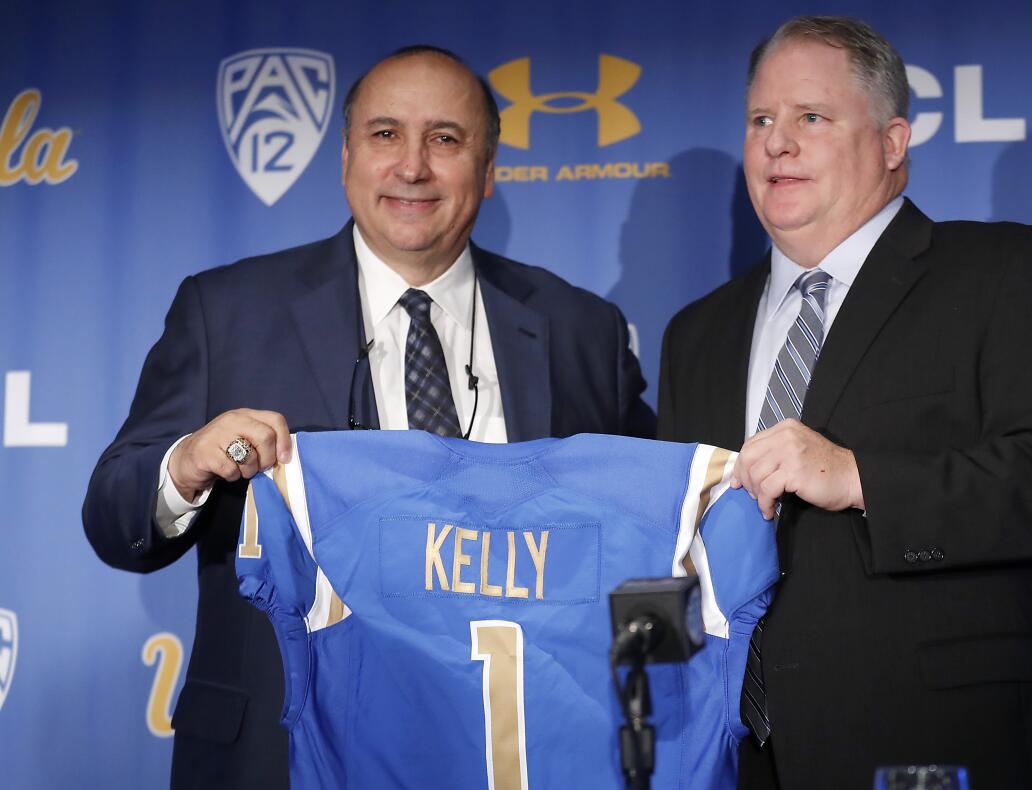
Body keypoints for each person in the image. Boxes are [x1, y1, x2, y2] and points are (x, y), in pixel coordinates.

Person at [83, 45, 654, 790]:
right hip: (285, 749)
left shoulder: (582, 329)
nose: (411, 166)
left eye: (444, 139)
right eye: (385, 134)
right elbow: (113, 516)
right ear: (348, 155)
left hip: (523, 748)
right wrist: (188, 462)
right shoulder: (227, 312)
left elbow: (647, 521)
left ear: (488, 168)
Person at [657, 16, 1032, 790]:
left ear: (893, 142)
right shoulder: (696, 333)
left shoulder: (1001, 272)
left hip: (938, 743)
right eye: (762, 120)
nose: (777, 142)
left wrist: (859, 478)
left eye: (811, 117)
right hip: (736, 760)